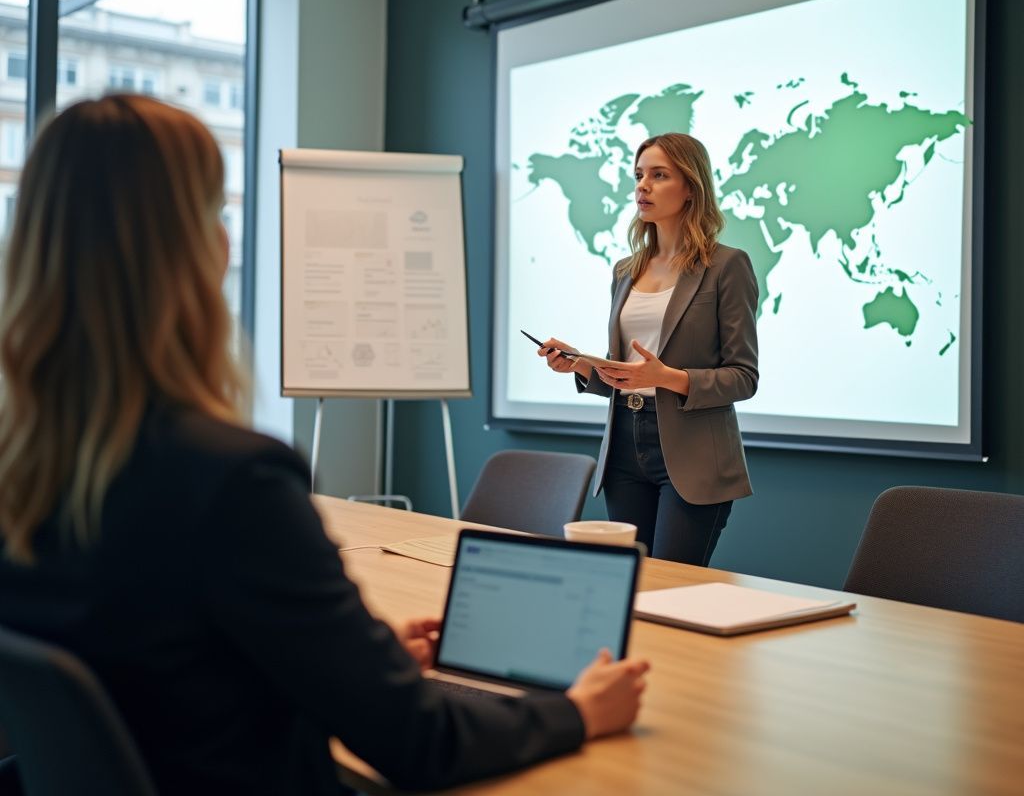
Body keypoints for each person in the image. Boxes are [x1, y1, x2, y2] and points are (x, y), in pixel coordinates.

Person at [0, 95, 649, 796]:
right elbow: (420, 743)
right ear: (190, 252)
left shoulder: (25, 470)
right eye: (215, 212)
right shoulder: (233, 480)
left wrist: (337, 661)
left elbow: (157, 661)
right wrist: (575, 713)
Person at [539, 132, 758, 565]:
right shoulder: (625, 270)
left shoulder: (727, 266)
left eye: (659, 175)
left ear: (691, 188)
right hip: (623, 445)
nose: (643, 186)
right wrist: (582, 366)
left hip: (691, 453)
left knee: (671, 588)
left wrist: (667, 378)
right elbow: (624, 374)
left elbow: (744, 377)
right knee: (629, 584)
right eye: (639, 175)